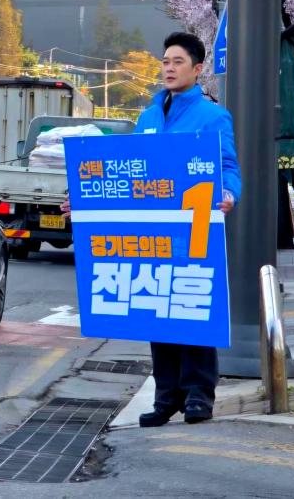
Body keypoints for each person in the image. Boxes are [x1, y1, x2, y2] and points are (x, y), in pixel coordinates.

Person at [63, 31, 241, 427]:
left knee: (191, 307)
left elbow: (228, 166)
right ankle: (166, 397)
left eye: (178, 62)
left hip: (194, 226)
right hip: (153, 231)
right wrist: (84, 202)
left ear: (197, 69)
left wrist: (228, 193)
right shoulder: (147, 116)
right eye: (165, 61)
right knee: (158, 310)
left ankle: (198, 395)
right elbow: (127, 174)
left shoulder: (213, 116)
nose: (169, 68)